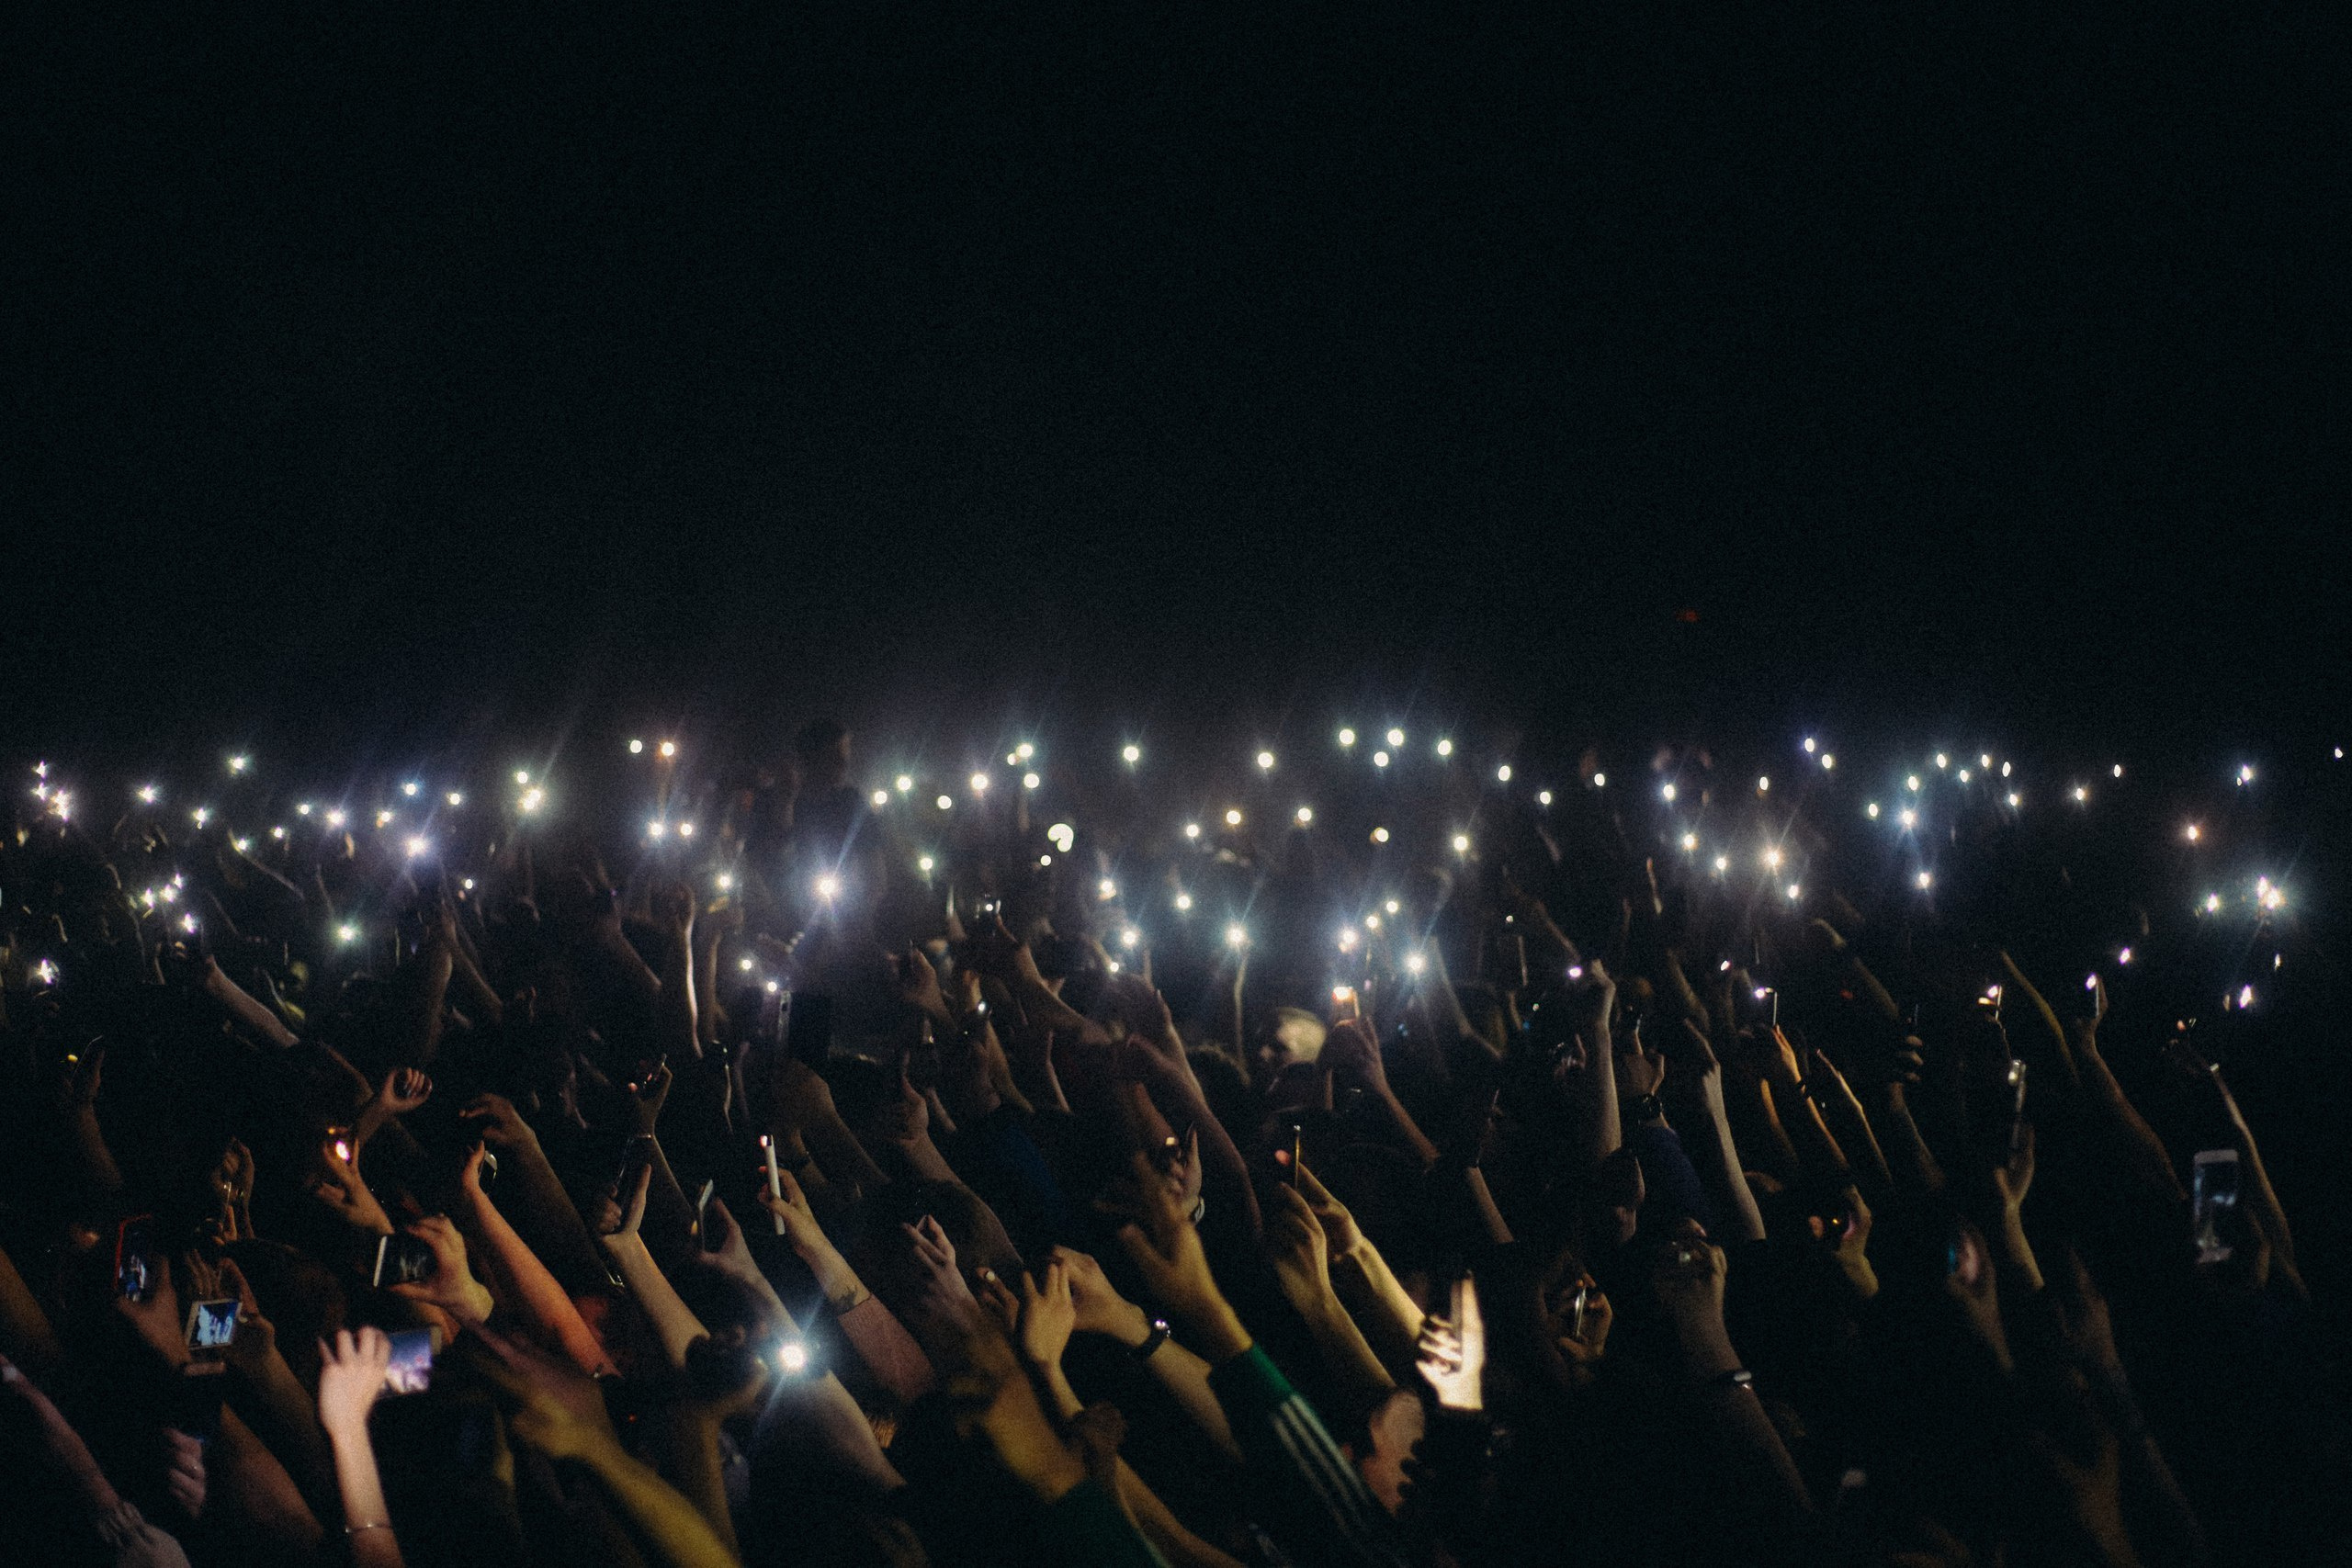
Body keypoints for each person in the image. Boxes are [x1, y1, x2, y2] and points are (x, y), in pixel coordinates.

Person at [0, 726, 2335, 1565]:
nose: (1037, 1294)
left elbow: (1260, 1308)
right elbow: (1272, 1316)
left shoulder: (1210, 1420)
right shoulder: (1327, 1452)